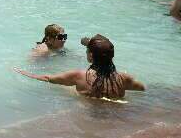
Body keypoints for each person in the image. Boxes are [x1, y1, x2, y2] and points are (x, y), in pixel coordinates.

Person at [16, 35, 145, 99]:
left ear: (90, 56)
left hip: (86, 115)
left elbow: (47, 78)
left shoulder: (79, 76)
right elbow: (143, 89)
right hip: (116, 117)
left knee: (68, 90)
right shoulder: (124, 78)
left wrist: (22, 72)